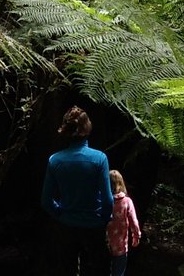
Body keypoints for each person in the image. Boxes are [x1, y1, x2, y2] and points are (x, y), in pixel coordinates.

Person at [41, 106, 113, 276]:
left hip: (66, 227)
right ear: (87, 127)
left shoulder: (55, 160)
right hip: (94, 227)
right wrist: (102, 218)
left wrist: (60, 213)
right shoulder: (99, 159)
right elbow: (108, 200)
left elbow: (46, 200)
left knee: (67, 269)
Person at [106, 169, 142, 276]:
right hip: (120, 246)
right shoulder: (127, 201)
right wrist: (136, 236)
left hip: (104, 244)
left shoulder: (103, 201)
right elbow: (134, 221)